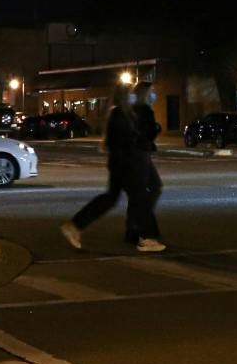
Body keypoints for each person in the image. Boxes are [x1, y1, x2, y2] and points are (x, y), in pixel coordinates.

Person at [60, 97, 166, 253]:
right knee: (138, 196)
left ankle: (76, 225)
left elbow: (117, 138)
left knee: (122, 195)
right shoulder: (136, 110)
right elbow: (144, 133)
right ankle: (146, 236)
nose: (153, 95)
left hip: (125, 159)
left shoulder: (120, 111)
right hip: (132, 159)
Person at [128, 99, 165, 245]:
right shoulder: (143, 110)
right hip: (140, 151)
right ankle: (142, 227)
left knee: (142, 191)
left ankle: (134, 227)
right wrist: (155, 130)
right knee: (148, 189)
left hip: (137, 151)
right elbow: (148, 131)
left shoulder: (132, 109)